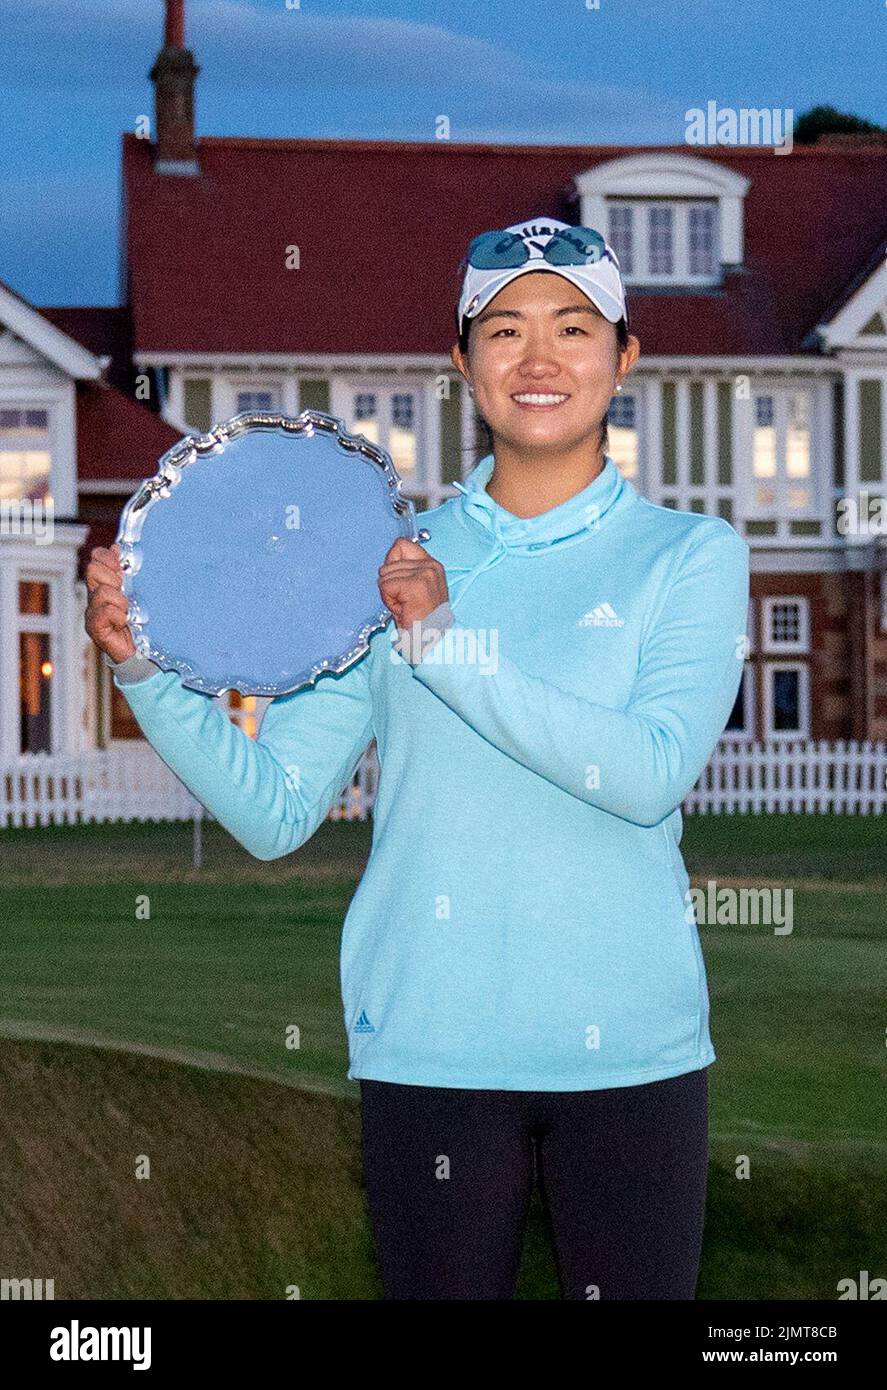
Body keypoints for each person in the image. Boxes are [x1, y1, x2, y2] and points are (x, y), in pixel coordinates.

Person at [85, 216, 749, 1300]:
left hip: (629, 1055)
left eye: (572, 328)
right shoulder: (388, 561)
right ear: (460, 363)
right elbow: (276, 808)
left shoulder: (689, 555)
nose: (538, 360)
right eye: (502, 332)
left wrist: (441, 643)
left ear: (623, 358)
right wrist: (146, 678)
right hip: (427, 1056)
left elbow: (642, 772)